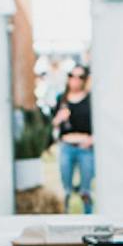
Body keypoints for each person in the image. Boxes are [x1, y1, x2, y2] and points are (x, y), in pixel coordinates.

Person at [52, 64, 95, 213]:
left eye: (79, 77)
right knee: (66, 188)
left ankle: (89, 216)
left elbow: (98, 125)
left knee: (86, 189)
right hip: (67, 146)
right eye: (72, 76)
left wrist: (92, 139)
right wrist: (59, 119)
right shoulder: (62, 99)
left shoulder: (91, 99)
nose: (75, 80)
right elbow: (53, 125)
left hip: (85, 148)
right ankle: (66, 214)